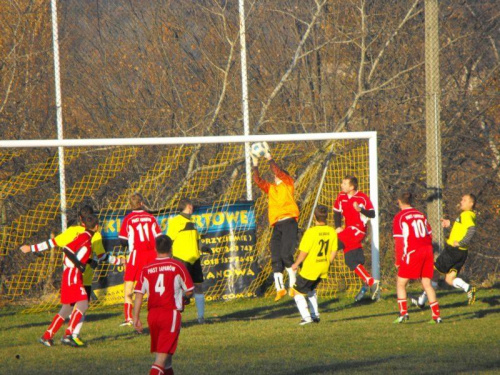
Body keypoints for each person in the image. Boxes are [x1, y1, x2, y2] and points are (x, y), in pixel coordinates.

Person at [19, 205, 118, 342]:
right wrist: (117, 261)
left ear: (80, 219)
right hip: (80, 276)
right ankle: (71, 335)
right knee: (83, 305)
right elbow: (99, 255)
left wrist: (31, 248)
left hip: (70, 273)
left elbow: (52, 243)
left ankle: (48, 336)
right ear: (95, 224)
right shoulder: (91, 235)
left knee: (68, 308)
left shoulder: (73, 231)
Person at [133, 235, 194, 375]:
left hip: (153, 316)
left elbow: (138, 294)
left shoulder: (146, 269)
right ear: (171, 248)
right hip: (169, 314)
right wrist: (183, 298)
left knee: (166, 362)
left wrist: (135, 317)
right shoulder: (177, 265)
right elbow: (190, 290)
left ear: (155, 248)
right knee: (160, 361)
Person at [251, 142, 300, 301]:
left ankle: (293, 286)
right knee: (276, 257)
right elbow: (258, 181)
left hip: (289, 223)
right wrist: (255, 164)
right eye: (274, 176)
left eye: (277, 175)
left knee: (287, 254)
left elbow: (277, 170)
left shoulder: (288, 183)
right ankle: (280, 290)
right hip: (277, 225)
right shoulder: (272, 188)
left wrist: (269, 157)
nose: (274, 176)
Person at [413, 194, 477, 308]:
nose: (461, 201)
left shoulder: (467, 215)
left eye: (464, 200)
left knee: (433, 273)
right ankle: (468, 288)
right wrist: (450, 224)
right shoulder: (468, 215)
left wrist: (461, 242)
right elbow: (462, 228)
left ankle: (421, 301)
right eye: (462, 199)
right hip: (461, 253)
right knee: (449, 279)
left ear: (471, 204)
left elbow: (471, 230)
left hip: (453, 251)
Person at [393, 192, 441, 324]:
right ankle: (436, 316)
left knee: (401, 283)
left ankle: (403, 314)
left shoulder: (400, 217)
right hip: (427, 250)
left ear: (399, 201)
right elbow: (429, 234)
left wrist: (398, 260)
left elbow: (399, 241)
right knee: (427, 284)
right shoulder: (421, 214)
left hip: (413, 251)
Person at [333, 175, 380, 301]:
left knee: (334, 244)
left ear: (351, 187)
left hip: (358, 230)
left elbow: (372, 213)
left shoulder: (362, 198)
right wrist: (337, 226)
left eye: (344, 183)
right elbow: (336, 212)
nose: (341, 185)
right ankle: (369, 282)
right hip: (348, 230)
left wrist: (360, 209)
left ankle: (318, 268)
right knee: (351, 261)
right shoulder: (341, 196)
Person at [119, 193, 162, 326]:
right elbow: (159, 237)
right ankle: (156, 315)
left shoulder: (128, 219)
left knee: (129, 285)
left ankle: (129, 318)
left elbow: (123, 240)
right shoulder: (151, 217)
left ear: (130, 205)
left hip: (137, 254)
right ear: (142, 204)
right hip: (151, 254)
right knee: (152, 285)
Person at [290, 205, 338, 325]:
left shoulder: (310, 232)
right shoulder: (331, 231)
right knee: (311, 289)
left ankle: (306, 318)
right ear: (326, 216)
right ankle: (315, 315)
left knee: (296, 291)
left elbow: (304, 252)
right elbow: (334, 250)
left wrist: (296, 264)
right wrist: (329, 263)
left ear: (314, 217)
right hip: (323, 267)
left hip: (310, 268)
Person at [166, 199, 206, 324]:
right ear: (188, 206)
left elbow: (196, 240)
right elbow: (168, 240)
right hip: (182, 260)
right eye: (192, 206)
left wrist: (203, 247)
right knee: (181, 289)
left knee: (198, 287)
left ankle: (201, 317)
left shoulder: (192, 222)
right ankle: (175, 318)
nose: (193, 208)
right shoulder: (175, 222)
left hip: (195, 259)